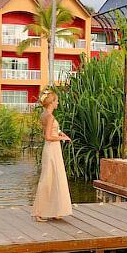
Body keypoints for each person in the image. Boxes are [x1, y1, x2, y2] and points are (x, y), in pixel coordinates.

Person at [31, 89, 73, 222]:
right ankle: (39, 212)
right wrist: (62, 139)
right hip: (52, 149)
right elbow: (48, 136)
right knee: (48, 179)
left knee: (54, 178)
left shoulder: (44, 114)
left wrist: (60, 133)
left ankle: (55, 210)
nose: (58, 103)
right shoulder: (50, 117)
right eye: (56, 101)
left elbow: (52, 131)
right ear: (51, 103)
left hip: (51, 149)